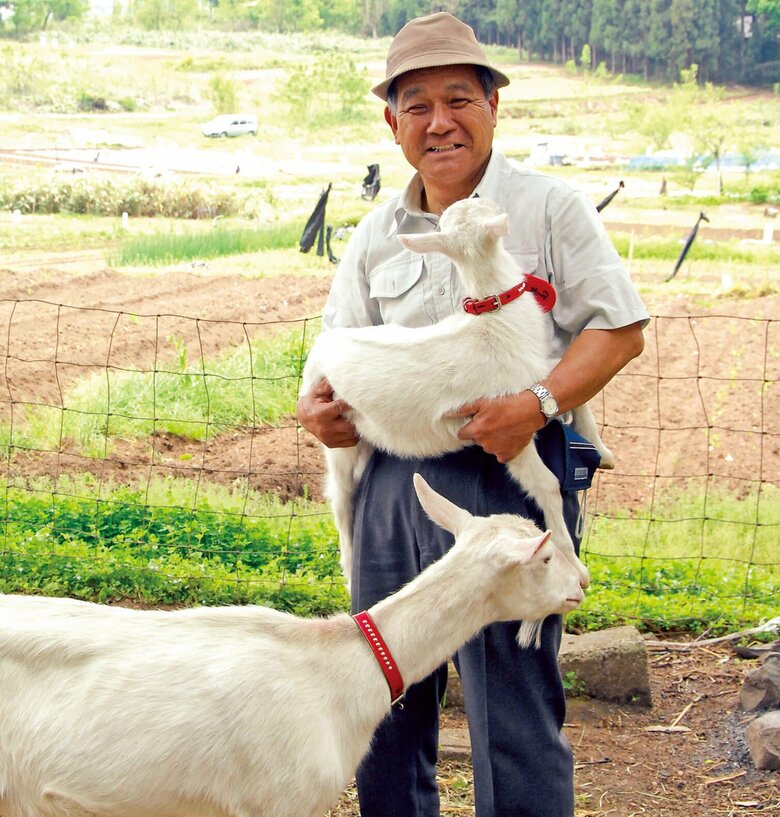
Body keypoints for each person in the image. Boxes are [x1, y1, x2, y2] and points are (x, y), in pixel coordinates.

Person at [297, 12, 648, 817]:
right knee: (383, 688)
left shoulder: (548, 208)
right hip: (389, 481)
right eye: (416, 105)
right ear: (393, 124)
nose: (439, 121)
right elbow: (333, 341)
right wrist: (315, 407)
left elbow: (619, 328)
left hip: (506, 476)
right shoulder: (379, 234)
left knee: (510, 706)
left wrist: (538, 402)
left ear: (494, 105)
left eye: (459, 98)